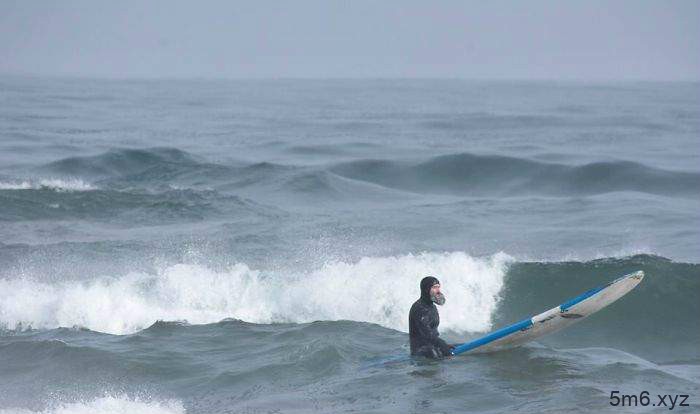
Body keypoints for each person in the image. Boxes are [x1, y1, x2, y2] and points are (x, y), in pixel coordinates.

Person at [408, 276, 454, 358]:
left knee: (449, 347)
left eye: (438, 287)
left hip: (433, 344)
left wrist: (443, 345)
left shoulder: (432, 307)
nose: (438, 291)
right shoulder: (419, 308)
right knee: (434, 353)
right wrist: (441, 344)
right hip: (420, 349)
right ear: (426, 289)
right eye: (434, 287)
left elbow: (433, 335)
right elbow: (426, 334)